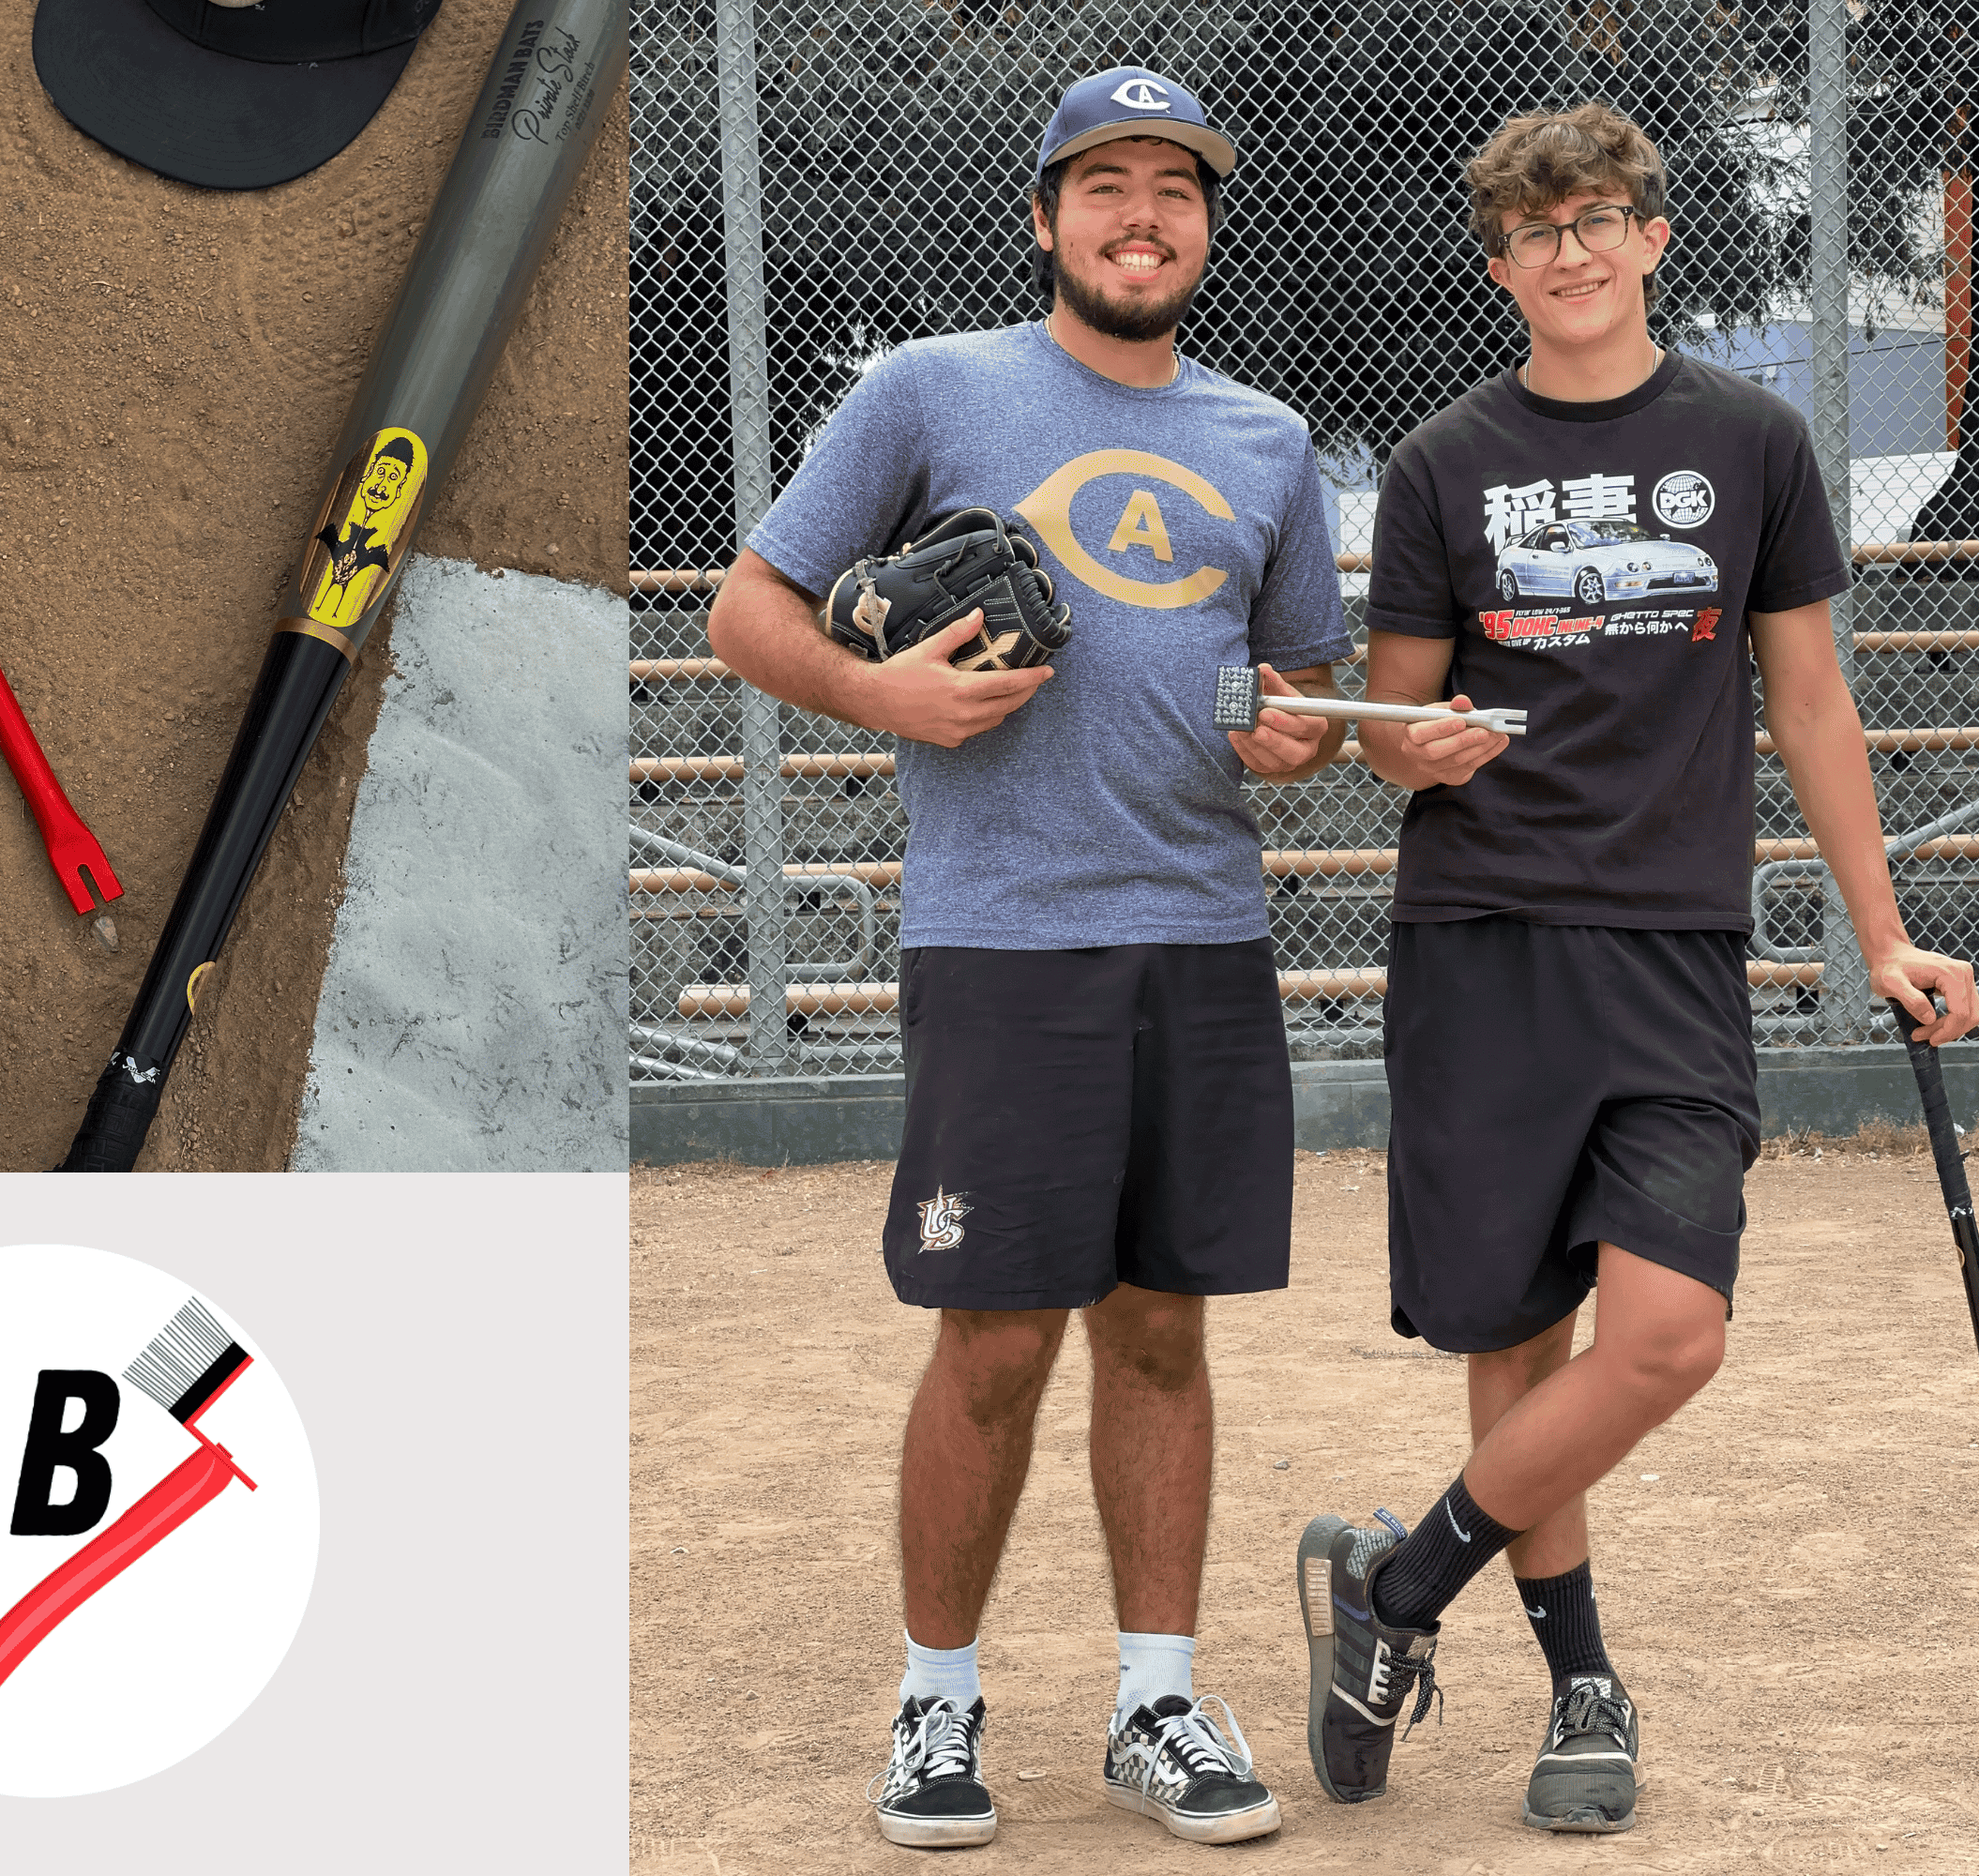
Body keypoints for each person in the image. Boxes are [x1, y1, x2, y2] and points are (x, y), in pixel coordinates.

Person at [1295, 99, 1979, 1836]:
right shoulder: (1445, 461)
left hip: (1675, 947)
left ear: (1654, 236)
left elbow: (1809, 700)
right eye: (1536, 232)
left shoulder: (1750, 442)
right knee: (1520, 1333)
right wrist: (1415, 749)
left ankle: (1394, 1586)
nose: (1572, 253)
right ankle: (1580, 1684)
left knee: (1669, 1335)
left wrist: (1881, 929)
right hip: (1483, 940)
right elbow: (1390, 721)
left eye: (1598, 219)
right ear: (1502, 264)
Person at [703, 66, 1352, 1852]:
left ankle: (1157, 1700)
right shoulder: (933, 389)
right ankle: (937, 1702)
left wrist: (1294, 736)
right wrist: (878, 692)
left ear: (1206, 225)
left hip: (1200, 932)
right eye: (1108, 186)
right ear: (1051, 215)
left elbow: (1296, 693)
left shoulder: (1266, 441)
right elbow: (750, 606)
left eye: (1176, 190)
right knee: (994, 1337)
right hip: (1005, 937)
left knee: (1159, 1330)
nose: (1143, 218)